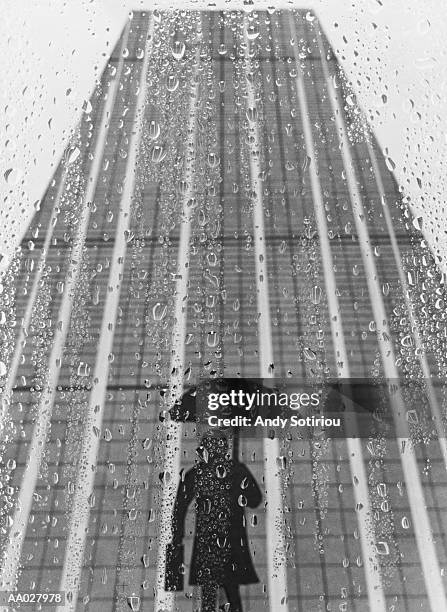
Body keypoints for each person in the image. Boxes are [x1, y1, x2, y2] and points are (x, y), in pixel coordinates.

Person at [168, 433, 262, 612]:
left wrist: (177, 538)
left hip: (207, 546)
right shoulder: (237, 471)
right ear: (224, 449)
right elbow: (255, 499)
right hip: (232, 544)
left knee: (209, 598)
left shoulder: (196, 474)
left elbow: (179, 509)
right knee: (232, 596)